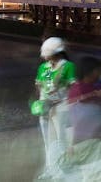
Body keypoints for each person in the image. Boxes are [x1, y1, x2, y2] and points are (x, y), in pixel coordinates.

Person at [64, 54, 101, 180]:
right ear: (90, 71)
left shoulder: (84, 87)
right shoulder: (82, 90)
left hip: (82, 142)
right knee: (96, 174)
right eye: (99, 70)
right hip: (89, 141)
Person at [34, 36, 77, 181]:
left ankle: (64, 171)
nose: (45, 57)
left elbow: (73, 88)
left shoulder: (68, 66)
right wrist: (41, 102)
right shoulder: (43, 67)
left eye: (48, 54)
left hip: (62, 108)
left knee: (62, 140)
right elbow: (39, 86)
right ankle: (50, 169)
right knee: (47, 141)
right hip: (45, 108)